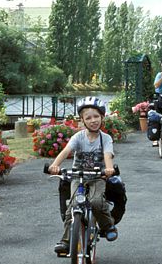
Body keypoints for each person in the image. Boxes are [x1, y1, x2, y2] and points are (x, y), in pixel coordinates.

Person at [48, 96, 117, 255]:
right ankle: (66, 241)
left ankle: (107, 226)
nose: (93, 120)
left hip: (97, 177)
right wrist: (55, 165)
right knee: (72, 207)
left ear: (102, 117)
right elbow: (66, 151)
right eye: (88, 118)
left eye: (96, 116)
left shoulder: (105, 139)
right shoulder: (78, 137)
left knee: (96, 201)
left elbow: (107, 155)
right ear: (82, 121)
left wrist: (108, 169)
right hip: (78, 177)